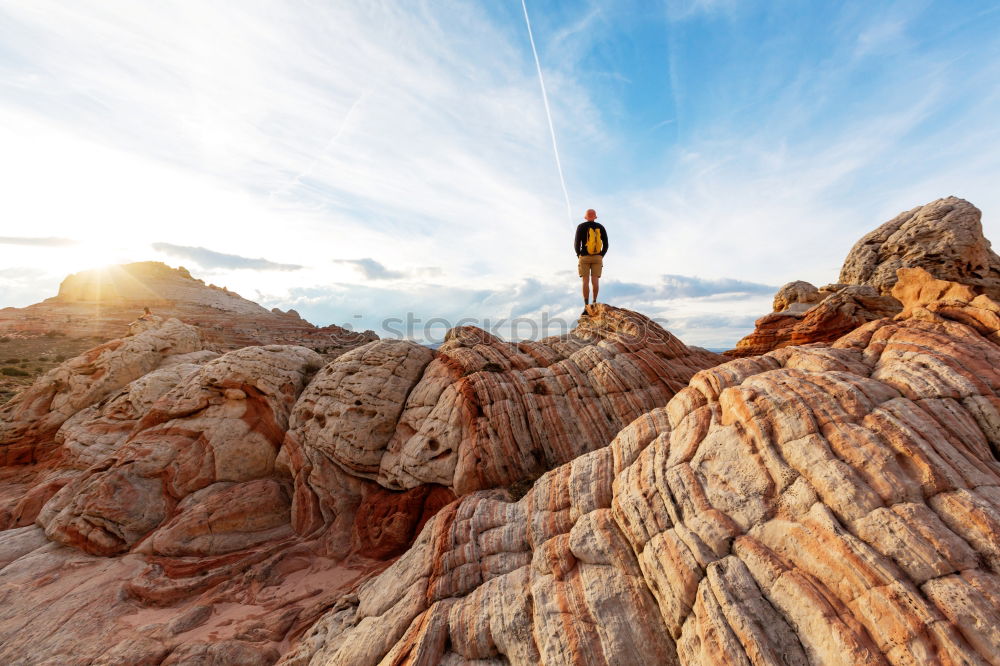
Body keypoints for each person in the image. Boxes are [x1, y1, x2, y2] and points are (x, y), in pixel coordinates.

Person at [574, 208, 609, 315]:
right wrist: (601, 255)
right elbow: (606, 244)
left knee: (585, 282)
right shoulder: (601, 227)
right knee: (595, 282)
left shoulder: (581, 226)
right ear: (595, 217)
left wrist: (579, 255)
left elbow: (576, 244)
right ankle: (594, 303)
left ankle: (586, 306)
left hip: (584, 257)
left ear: (586, 217)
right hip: (597, 257)